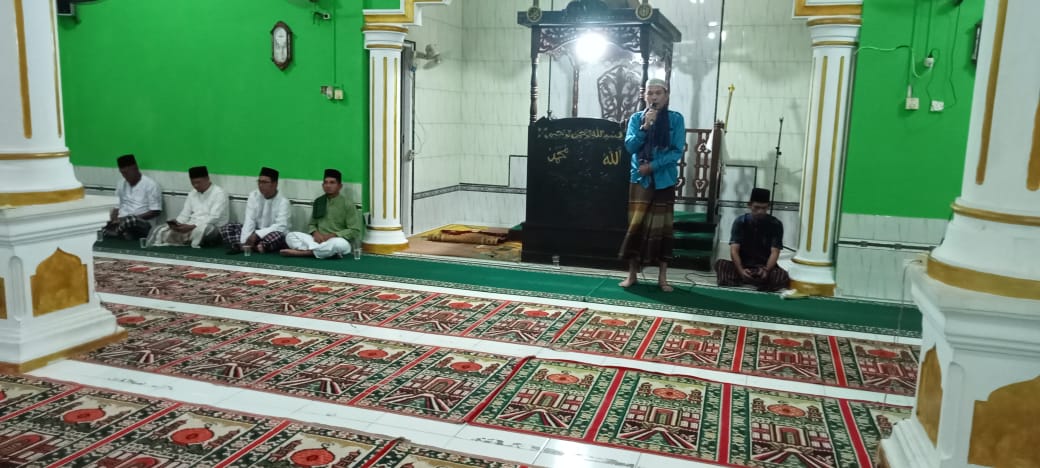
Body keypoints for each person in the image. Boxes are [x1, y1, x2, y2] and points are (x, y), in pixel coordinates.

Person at [617, 78, 686, 292]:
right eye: (650, 93)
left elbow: (677, 151)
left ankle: (662, 278)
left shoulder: (676, 119)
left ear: (666, 96)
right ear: (645, 95)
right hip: (640, 180)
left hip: (663, 180)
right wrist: (645, 127)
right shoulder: (636, 118)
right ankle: (632, 275)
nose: (654, 97)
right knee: (636, 227)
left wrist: (653, 166)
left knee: (662, 230)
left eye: (658, 93)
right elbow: (630, 146)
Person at [715, 188, 790, 292]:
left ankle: (746, 280)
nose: (760, 211)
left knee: (782, 276)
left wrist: (766, 270)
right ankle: (751, 280)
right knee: (720, 264)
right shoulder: (740, 222)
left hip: (763, 268)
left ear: (768, 206)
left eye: (764, 208)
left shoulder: (775, 224)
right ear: (749, 205)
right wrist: (741, 270)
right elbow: (734, 250)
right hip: (743, 266)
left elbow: (775, 252)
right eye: (757, 207)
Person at [281, 169, 363, 259]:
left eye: (332, 183)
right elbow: (312, 224)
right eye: (325, 183)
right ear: (322, 185)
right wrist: (315, 233)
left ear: (340, 186)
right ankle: (324, 252)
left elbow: (355, 230)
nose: (328, 185)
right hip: (318, 240)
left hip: (336, 240)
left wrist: (333, 235)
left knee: (339, 244)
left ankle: (304, 253)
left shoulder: (347, 204)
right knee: (291, 236)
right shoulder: (319, 201)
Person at [145, 166, 229, 248]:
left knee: (206, 230)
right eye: (193, 183)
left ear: (207, 179)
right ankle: (187, 238)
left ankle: (185, 238)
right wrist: (178, 224)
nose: (195, 185)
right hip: (190, 226)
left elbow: (214, 217)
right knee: (158, 229)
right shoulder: (192, 193)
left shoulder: (219, 193)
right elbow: (184, 214)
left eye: (198, 182)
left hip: (212, 226)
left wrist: (192, 226)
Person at [220, 166, 291, 255]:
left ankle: (254, 246)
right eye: (259, 182)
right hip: (253, 232)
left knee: (279, 235)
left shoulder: (283, 202)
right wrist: (245, 240)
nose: (260, 185)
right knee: (227, 227)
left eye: (264, 182)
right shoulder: (253, 196)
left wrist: (257, 234)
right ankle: (247, 246)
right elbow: (249, 220)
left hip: (269, 234)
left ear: (275, 184)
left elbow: (281, 226)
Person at [104, 154, 162, 240]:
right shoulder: (120, 183)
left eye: (126, 173)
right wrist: (113, 219)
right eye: (122, 173)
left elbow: (155, 211)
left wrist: (126, 219)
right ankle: (119, 231)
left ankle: (116, 232)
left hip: (142, 223)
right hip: (122, 221)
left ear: (135, 168)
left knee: (131, 220)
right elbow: (116, 207)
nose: (125, 176)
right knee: (101, 218)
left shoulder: (151, 185)